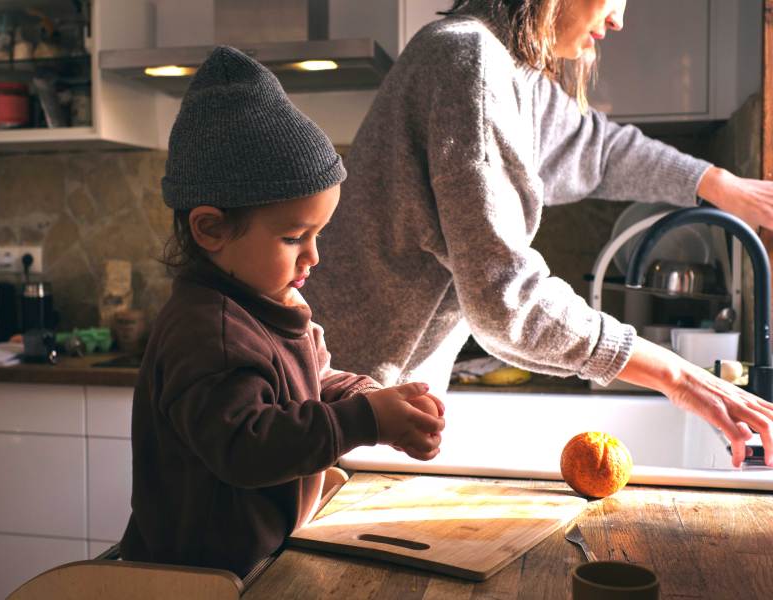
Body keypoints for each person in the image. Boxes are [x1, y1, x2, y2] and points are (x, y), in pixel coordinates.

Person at [305, 0, 773, 468]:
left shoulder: (505, 70)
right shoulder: (471, 62)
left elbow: (599, 150)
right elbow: (506, 298)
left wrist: (721, 185)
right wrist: (681, 378)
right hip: (339, 398)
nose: (619, 19)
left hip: (372, 398)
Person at [119, 46, 445, 579]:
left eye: (318, 234)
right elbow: (246, 445)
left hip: (255, 564)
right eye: (295, 237)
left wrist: (366, 396)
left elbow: (311, 382)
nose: (314, 256)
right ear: (211, 230)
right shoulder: (209, 330)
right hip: (197, 581)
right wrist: (366, 421)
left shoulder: (272, 303)